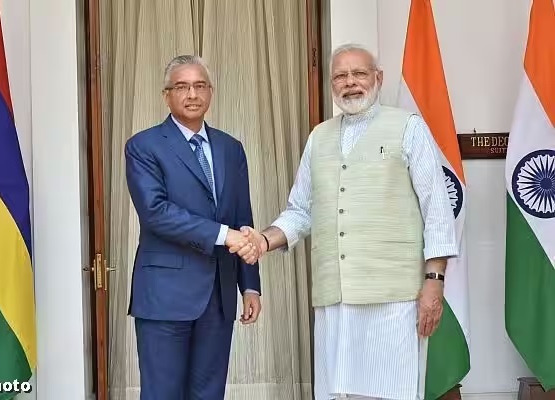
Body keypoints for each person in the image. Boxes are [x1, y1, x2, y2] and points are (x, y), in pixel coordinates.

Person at [232, 43, 458, 400]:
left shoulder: (408, 127)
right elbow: (301, 210)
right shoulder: (318, 137)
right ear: (331, 84)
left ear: (378, 78)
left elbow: (437, 210)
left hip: (392, 298)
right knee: (338, 394)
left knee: (392, 392)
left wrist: (434, 281)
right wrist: (263, 240)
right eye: (340, 76)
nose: (350, 82)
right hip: (335, 299)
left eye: (359, 73)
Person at [125, 54, 262, 400]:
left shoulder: (231, 149)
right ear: (166, 95)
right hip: (165, 296)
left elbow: (242, 218)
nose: (192, 94)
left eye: (200, 86)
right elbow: (156, 212)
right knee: (162, 394)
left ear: (211, 92)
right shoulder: (143, 146)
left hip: (218, 296)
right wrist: (223, 235)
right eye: (182, 87)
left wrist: (250, 286)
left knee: (209, 394)